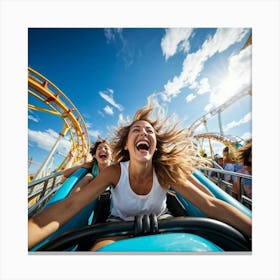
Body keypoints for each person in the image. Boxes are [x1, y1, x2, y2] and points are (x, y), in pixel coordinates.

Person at [28, 103, 251, 250]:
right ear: (126, 145)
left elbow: (210, 204)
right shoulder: (115, 172)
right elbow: (69, 206)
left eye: (149, 131)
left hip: (163, 222)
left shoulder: (164, 172)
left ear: (155, 145)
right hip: (116, 227)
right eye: (136, 130)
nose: (143, 133)